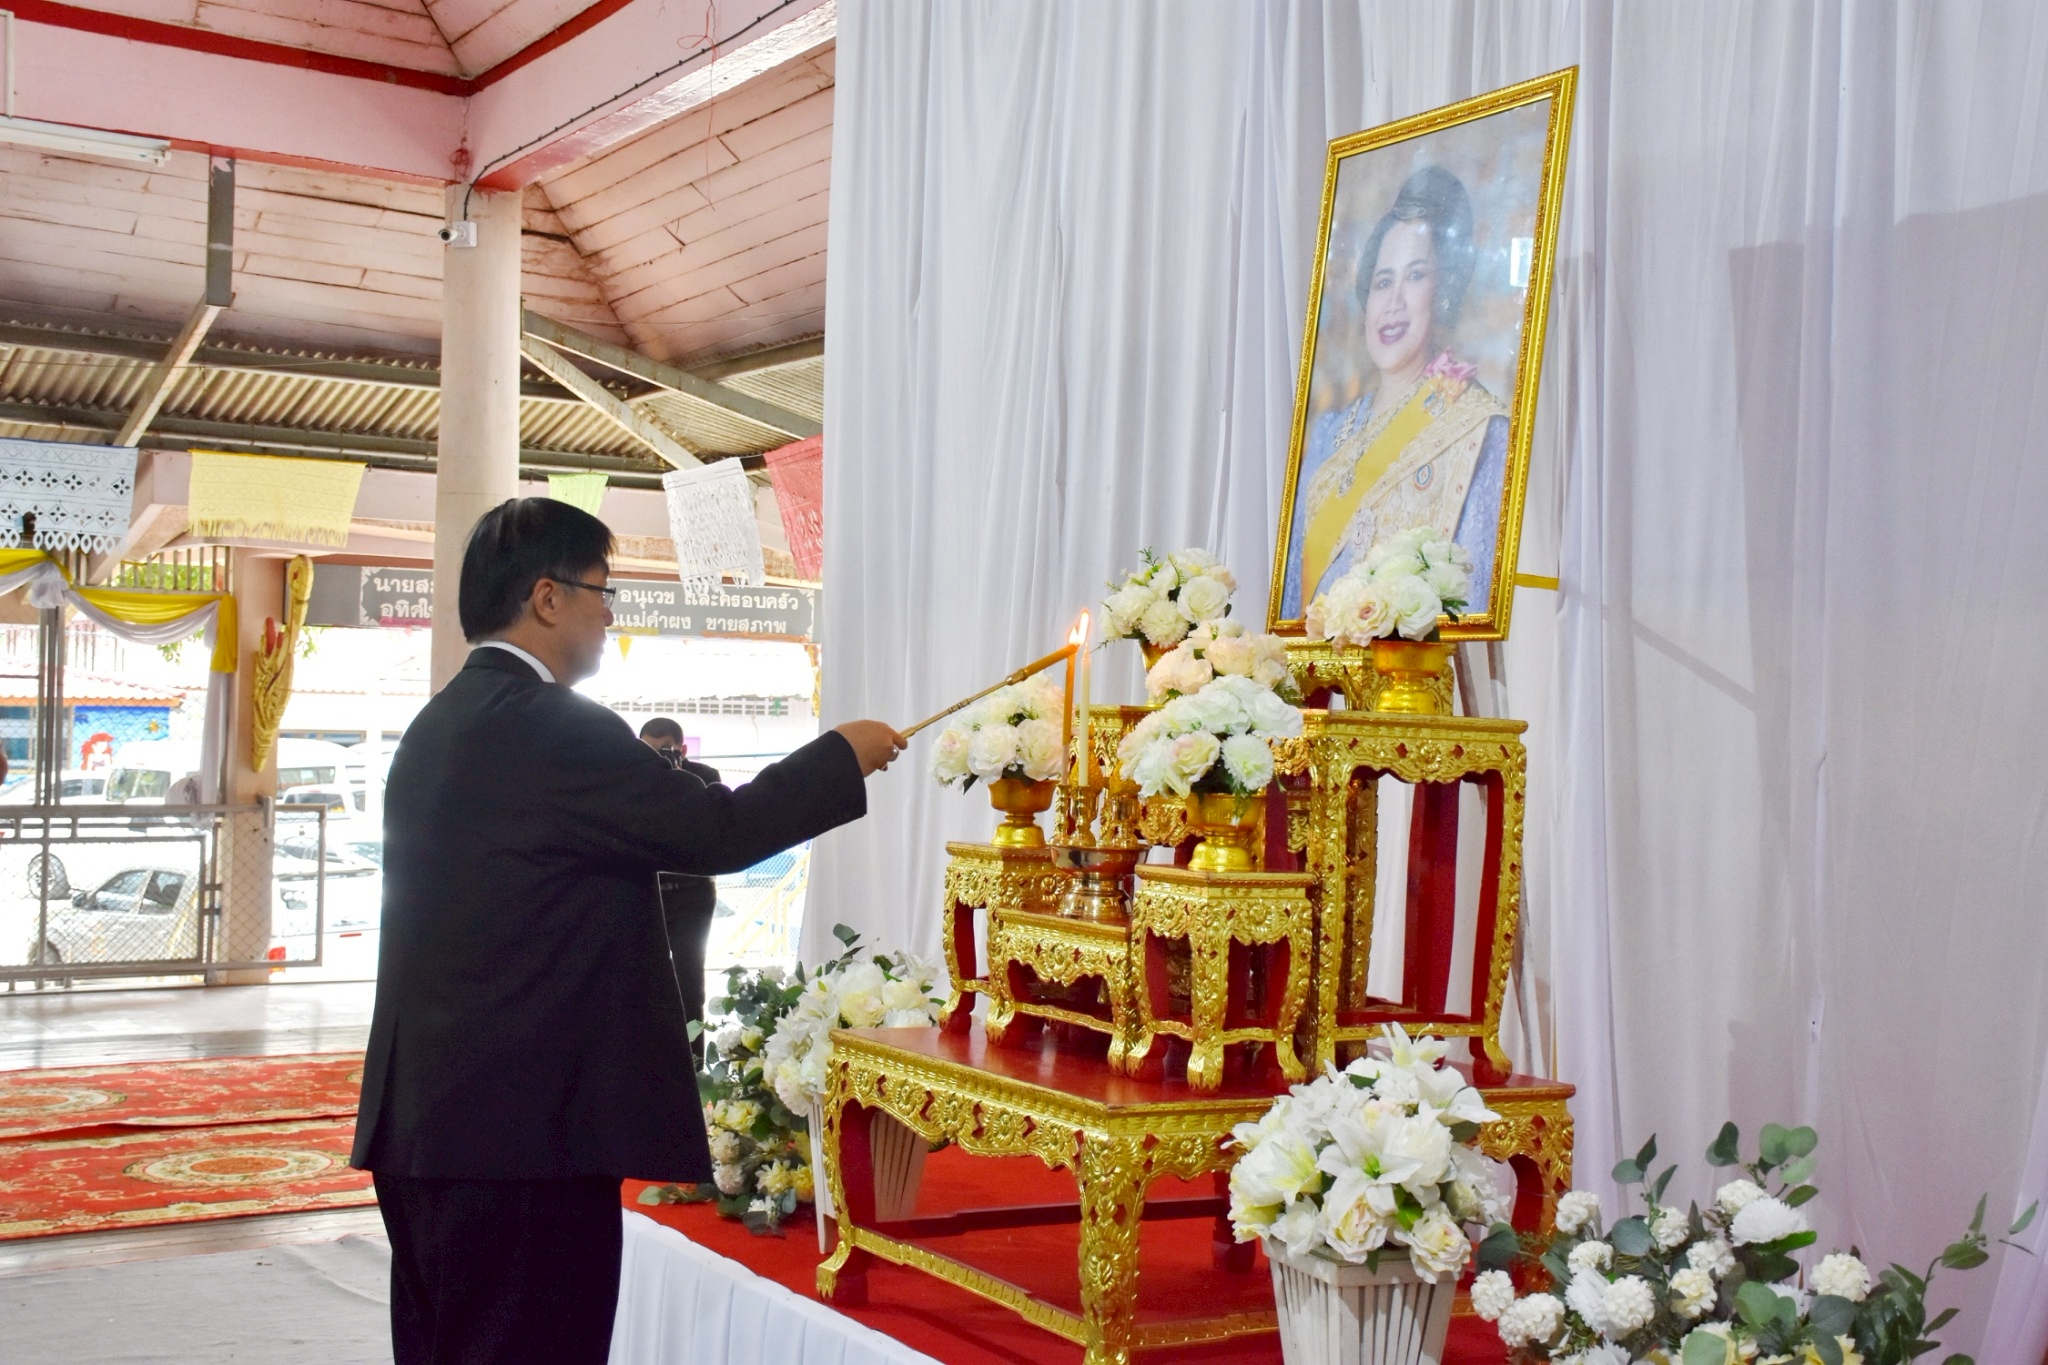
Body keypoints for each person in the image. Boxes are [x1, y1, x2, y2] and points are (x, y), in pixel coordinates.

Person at [350, 498, 905, 1365]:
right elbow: (715, 830)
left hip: (433, 1124)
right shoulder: (551, 726)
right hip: (525, 1138)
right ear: (547, 597)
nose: (610, 615)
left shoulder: (442, 722)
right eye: (601, 591)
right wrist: (840, 754)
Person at [1280, 164, 1511, 619]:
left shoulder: (1481, 432)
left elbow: (1475, 609)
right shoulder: (1326, 436)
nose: (1394, 303)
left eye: (1416, 276)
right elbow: (1291, 611)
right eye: (1383, 282)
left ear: (1444, 290)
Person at [637, 716, 720, 1061]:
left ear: (683, 750)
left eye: (666, 751)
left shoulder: (704, 778)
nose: (657, 758)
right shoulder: (632, 780)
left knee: (689, 983)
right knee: (642, 982)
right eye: (648, 750)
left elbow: (707, 831)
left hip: (692, 895)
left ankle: (694, 1065)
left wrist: (676, 779)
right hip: (648, 894)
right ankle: (647, 1063)